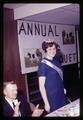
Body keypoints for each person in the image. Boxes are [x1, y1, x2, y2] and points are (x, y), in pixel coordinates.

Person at [37, 40, 66, 114]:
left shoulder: (56, 61)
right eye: (50, 49)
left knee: (63, 113)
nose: (52, 51)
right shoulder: (43, 65)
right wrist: (46, 103)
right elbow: (41, 86)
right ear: (45, 50)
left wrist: (62, 88)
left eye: (54, 49)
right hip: (52, 97)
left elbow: (58, 78)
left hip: (61, 93)